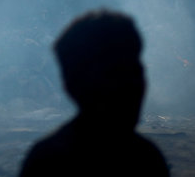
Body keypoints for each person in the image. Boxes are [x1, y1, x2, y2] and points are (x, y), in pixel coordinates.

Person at [20, 10, 169, 176]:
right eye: (114, 76)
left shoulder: (147, 159)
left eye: (135, 71)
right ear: (73, 85)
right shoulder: (47, 163)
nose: (131, 87)